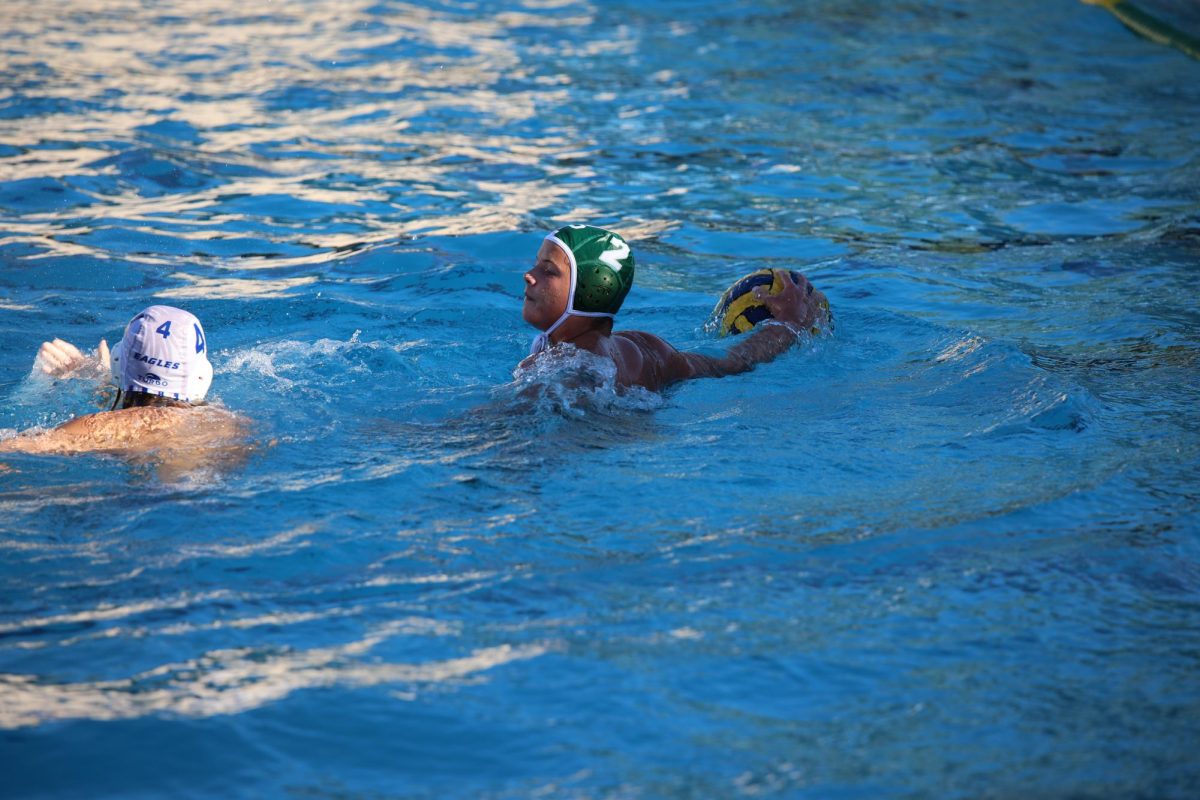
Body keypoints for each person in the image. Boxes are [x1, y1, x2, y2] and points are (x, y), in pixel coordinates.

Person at [519, 224, 830, 392]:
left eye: (549, 270)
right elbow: (732, 363)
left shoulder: (575, 370)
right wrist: (787, 326)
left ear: (587, 291)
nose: (529, 275)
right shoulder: (647, 348)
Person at [0, 305, 245, 474]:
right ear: (201, 374)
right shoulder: (230, 424)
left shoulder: (95, 428)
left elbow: (9, 452)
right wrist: (97, 377)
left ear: (118, 363)